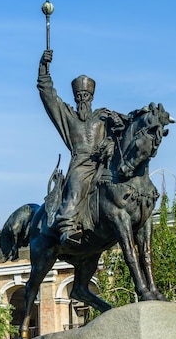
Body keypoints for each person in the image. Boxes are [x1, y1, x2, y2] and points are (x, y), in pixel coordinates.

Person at [37, 49, 126, 247]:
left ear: (92, 97)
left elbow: (123, 133)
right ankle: (67, 227)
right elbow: (48, 95)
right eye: (79, 96)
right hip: (80, 164)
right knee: (76, 186)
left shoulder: (103, 115)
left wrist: (115, 132)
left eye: (86, 96)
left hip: (103, 164)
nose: (82, 99)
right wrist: (44, 67)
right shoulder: (68, 116)